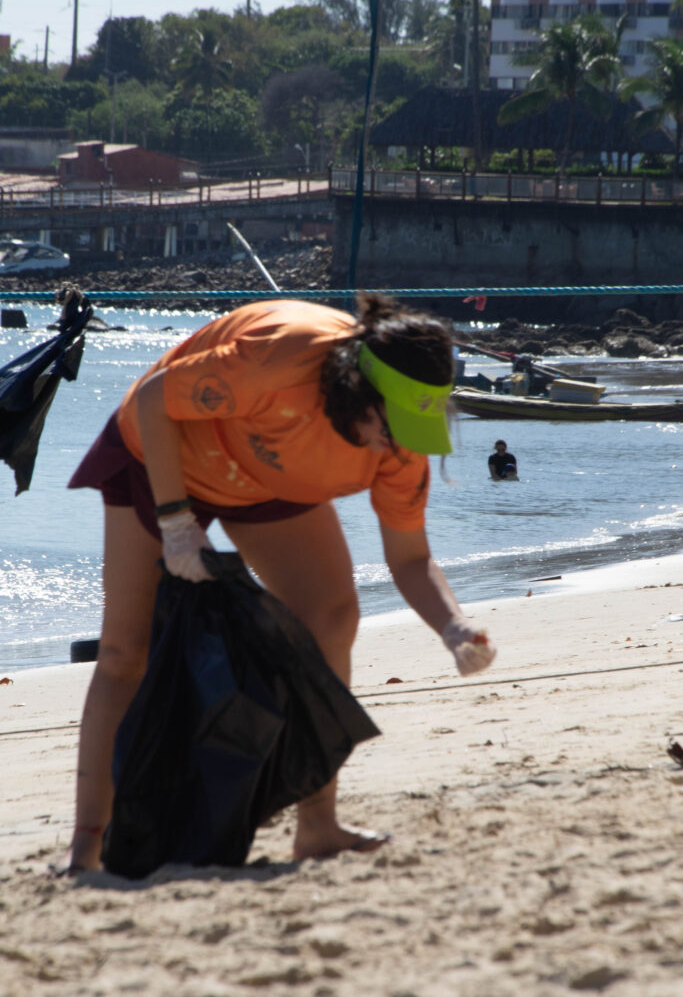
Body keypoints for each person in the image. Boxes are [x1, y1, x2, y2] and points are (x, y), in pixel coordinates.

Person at [65, 291, 497, 873]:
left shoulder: (400, 448)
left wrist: (453, 624)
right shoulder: (278, 360)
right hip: (163, 454)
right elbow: (153, 400)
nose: (401, 445)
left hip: (267, 482)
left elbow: (411, 558)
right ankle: (87, 852)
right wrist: (175, 523)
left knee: (332, 618)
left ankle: (318, 827)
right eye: (394, 425)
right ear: (355, 390)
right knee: (125, 652)